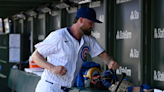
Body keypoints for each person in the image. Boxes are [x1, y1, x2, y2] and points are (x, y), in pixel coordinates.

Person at [31, 7, 120, 92]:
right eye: (90, 22)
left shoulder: (88, 39)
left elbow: (103, 55)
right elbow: (35, 56)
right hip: (50, 87)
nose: (92, 26)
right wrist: (52, 67)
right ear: (81, 20)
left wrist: (110, 62)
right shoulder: (59, 36)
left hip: (67, 88)